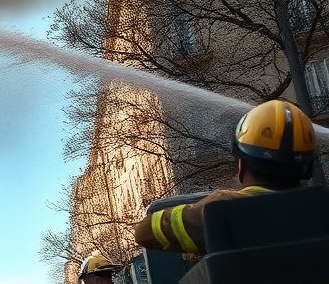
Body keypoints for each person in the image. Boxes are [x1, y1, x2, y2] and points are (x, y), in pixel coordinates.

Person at [134, 99, 315, 257]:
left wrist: (201, 204)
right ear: (307, 167)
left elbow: (144, 232)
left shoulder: (221, 208)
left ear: (241, 164)